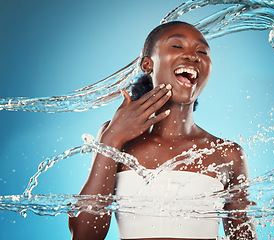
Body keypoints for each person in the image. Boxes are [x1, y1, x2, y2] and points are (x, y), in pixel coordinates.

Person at [68, 21, 257, 240]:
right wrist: (111, 139)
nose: (192, 56)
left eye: (202, 51)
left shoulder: (227, 154)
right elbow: (84, 236)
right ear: (147, 64)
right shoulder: (114, 137)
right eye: (177, 46)